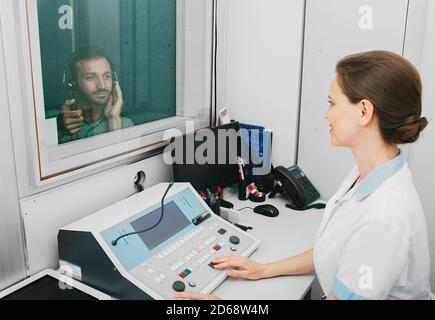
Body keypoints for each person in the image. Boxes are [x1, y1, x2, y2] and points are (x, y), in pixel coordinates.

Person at [175, 50, 432, 300]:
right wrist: (265, 269)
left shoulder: (383, 216)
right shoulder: (367, 173)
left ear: (363, 111)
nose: (325, 113)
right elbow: (332, 250)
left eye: (332, 102)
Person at [57, 46, 133, 143]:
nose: (102, 86)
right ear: (72, 84)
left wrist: (113, 121)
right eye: (90, 77)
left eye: (107, 76)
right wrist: (58, 131)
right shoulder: (56, 123)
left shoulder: (126, 125)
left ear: (114, 81)